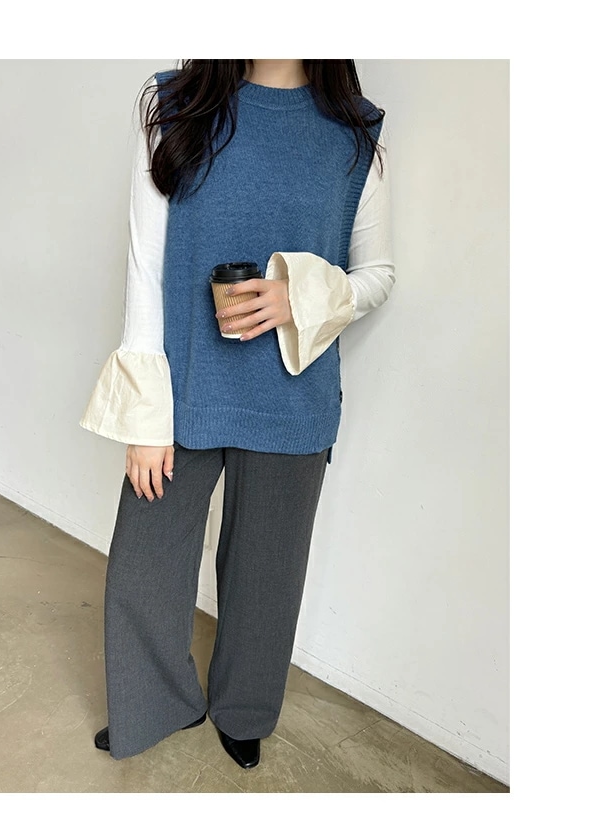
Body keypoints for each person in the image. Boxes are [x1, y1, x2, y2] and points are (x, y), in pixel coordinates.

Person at [79, 59, 395, 770]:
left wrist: (298, 294)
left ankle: (244, 710)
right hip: (185, 385)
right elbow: (145, 266)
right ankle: (156, 702)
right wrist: (146, 418)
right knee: (145, 564)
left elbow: (378, 274)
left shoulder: (356, 134)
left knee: (267, 573)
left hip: (293, 394)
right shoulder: (172, 104)